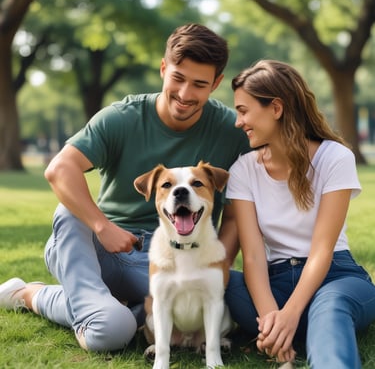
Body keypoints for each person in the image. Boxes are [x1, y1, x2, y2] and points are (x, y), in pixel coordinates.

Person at [0, 23, 250, 352]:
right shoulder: (122, 117)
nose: (186, 94)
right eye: (178, 78)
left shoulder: (232, 132)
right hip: (106, 248)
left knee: (120, 326)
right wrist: (102, 227)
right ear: (163, 68)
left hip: (180, 256)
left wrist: (221, 266)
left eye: (200, 84)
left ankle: (111, 309)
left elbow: (233, 217)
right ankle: (31, 295)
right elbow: (60, 169)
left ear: (216, 83)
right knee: (70, 215)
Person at [224, 59, 375, 368]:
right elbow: (252, 256)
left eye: (243, 110)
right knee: (218, 280)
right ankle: (295, 332)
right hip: (274, 281)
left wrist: (290, 314)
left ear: (276, 108)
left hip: (335, 276)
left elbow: (322, 248)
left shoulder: (335, 157)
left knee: (329, 308)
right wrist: (271, 318)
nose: (238, 122)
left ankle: (311, 329)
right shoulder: (243, 170)